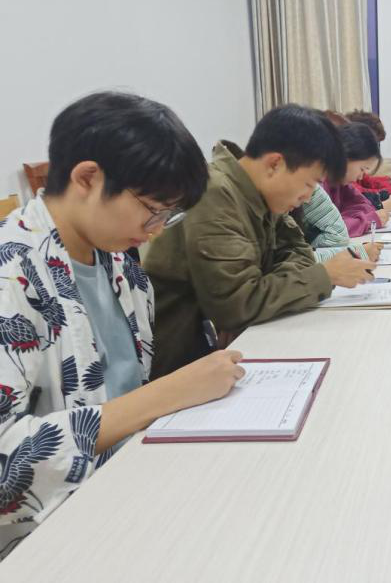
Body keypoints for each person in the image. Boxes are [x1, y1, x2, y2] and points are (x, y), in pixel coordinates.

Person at [0, 92, 246, 559]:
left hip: (133, 485)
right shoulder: (11, 276)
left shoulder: (119, 263)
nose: (158, 228)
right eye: (153, 209)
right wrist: (166, 394)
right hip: (48, 538)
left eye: (169, 214)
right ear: (87, 178)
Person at [145, 104, 375, 377]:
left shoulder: (261, 195)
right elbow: (238, 305)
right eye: (309, 184)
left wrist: (271, 283)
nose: (308, 197)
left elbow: (299, 256)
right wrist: (324, 275)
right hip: (178, 369)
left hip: (222, 355)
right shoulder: (216, 194)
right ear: (275, 164)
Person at [322, 123, 391, 236]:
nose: (360, 177)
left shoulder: (341, 183)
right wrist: (368, 220)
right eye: (362, 169)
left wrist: (355, 220)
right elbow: (330, 230)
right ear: (345, 156)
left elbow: (363, 205)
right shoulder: (319, 183)